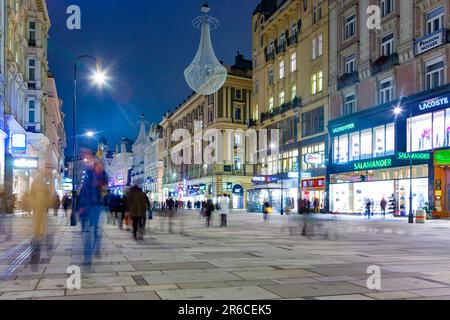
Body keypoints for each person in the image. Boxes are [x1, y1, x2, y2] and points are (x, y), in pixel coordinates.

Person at [79, 156, 108, 267]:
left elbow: (105, 193)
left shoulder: (103, 177)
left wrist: (101, 187)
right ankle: (87, 259)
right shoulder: (88, 176)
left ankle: (97, 247)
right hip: (87, 206)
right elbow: (83, 191)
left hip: (97, 207)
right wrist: (81, 206)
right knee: (87, 233)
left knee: (96, 230)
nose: (99, 167)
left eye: (101, 165)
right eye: (97, 165)